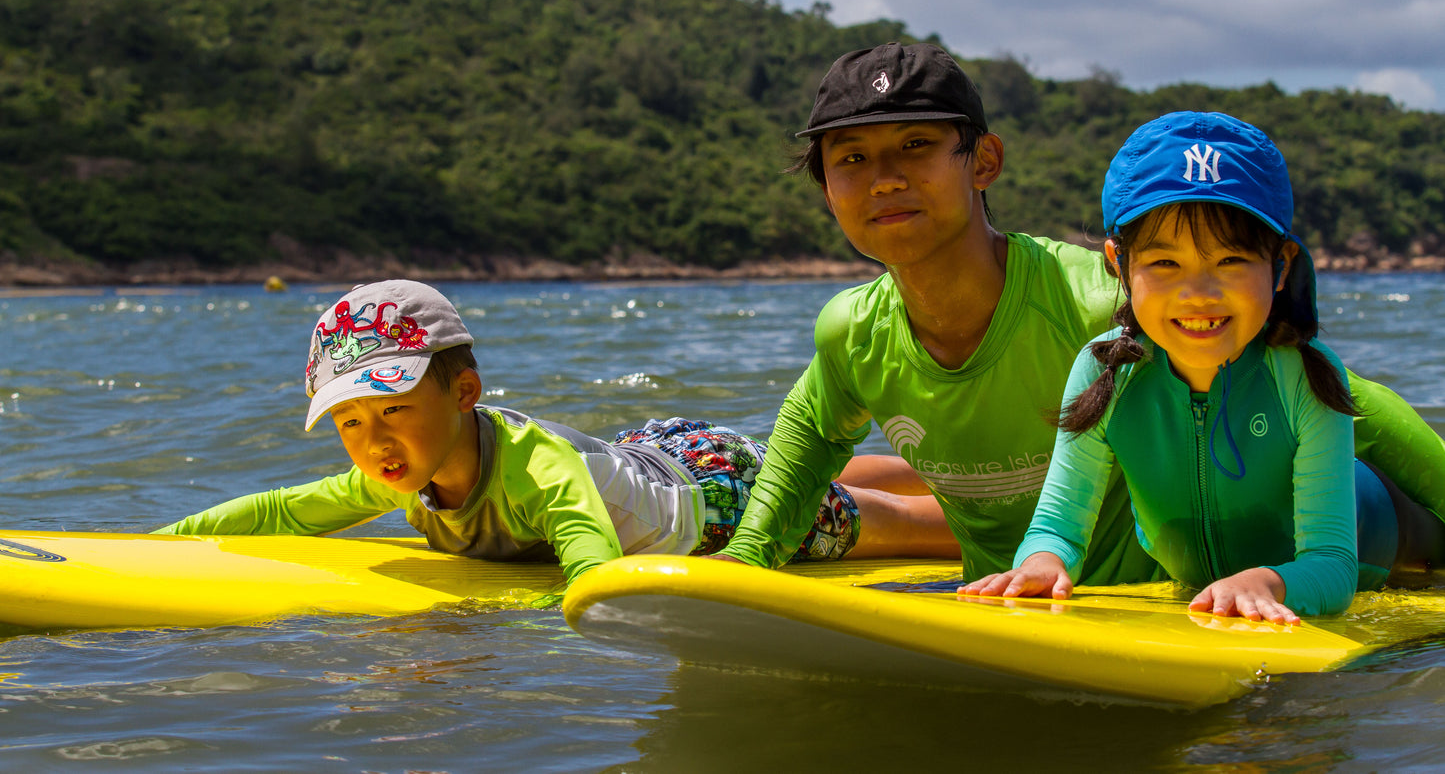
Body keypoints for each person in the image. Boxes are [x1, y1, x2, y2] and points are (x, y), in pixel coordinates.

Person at [716, 42, 1445, 590]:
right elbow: (810, 441)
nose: (884, 179)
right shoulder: (851, 331)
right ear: (825, 187)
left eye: (915, 146)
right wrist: (745, 561)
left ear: (984, 160)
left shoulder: (1098, 297)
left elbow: (1341, 398)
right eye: (851, 158)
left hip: (1195, 575)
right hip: (1037, 588)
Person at [961, 111, 1445, 622]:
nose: (1198, 293)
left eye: (1230, 261)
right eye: (1165, 263)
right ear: (1119, 264)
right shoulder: (1105, 369)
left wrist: (1265, 582)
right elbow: (1057, 528)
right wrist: (1041, 563)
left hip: (1387, 535)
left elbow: (1332, 565)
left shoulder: (1302, 373)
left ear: (1280, 266)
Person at [155, 280, 957, 585]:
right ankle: (929, 466)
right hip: (655, 455)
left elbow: (590, 562)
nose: (373, 441)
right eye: (349, 421)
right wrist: (161, 544)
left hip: (716, 504)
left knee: (886, 524)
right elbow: (283, 511)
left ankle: (987, 496)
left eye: (393, 409)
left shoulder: (536, 472)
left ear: (464, 393)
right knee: (824, 473)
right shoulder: (401, 470)